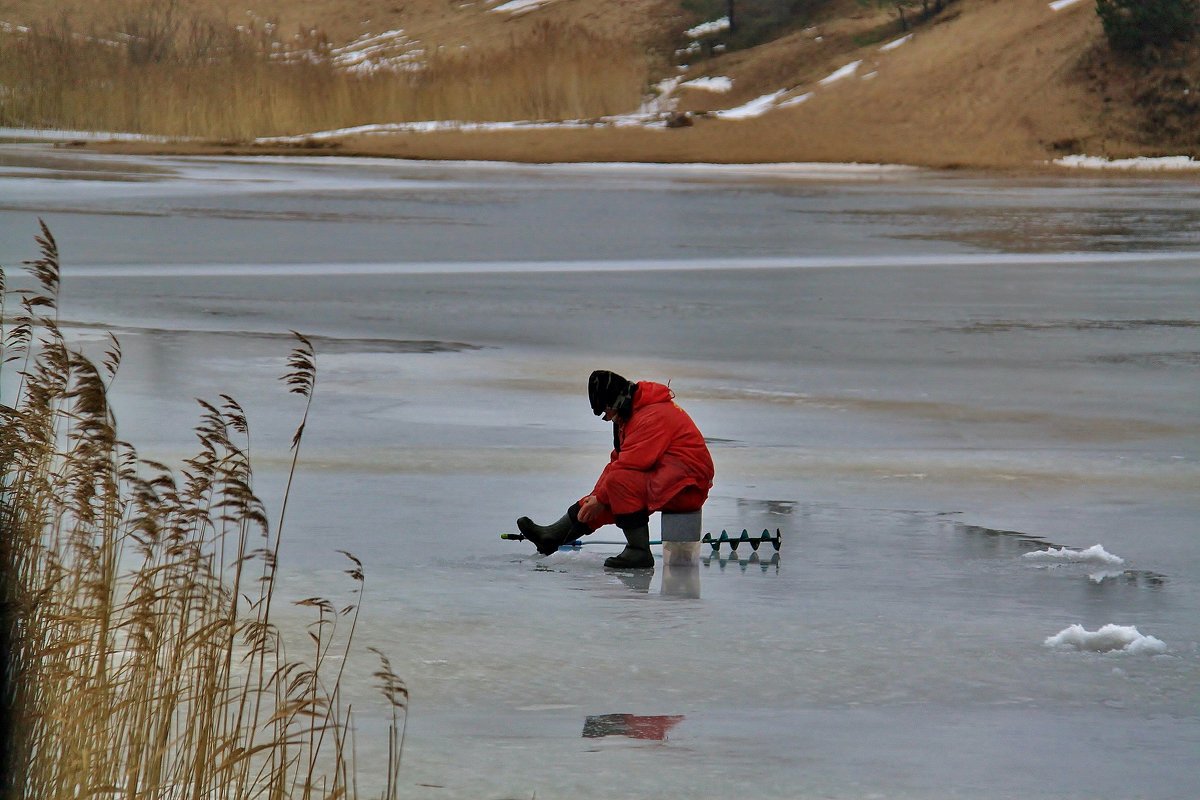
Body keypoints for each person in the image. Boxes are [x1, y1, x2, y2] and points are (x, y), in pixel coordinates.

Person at [517, 370, 715, 569]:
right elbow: (617, 462)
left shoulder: (652, 416)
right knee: (612, 487)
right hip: (670, 479)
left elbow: (631, 465)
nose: (607, 418)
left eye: (606, 412)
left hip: (688, 487)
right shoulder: (631, 413)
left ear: (616, 401)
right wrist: (595, 498)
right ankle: (553, 536)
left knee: (619, 483)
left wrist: (601, 499)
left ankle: (638, 552)